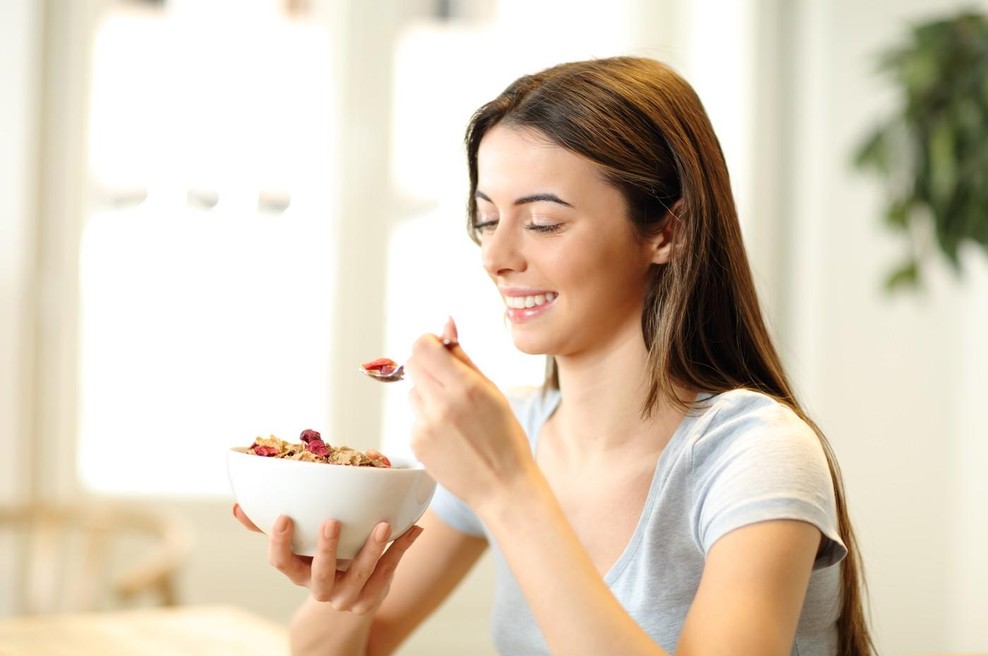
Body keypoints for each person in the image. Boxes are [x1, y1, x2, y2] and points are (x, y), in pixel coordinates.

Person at [233, 55, 874, 655]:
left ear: (665, 231)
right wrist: (351, 576)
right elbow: (328, 648)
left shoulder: (755, 455)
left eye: (542, 222)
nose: (495, 256)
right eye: (488, 219)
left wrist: (509, 486)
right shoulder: (517, 433)